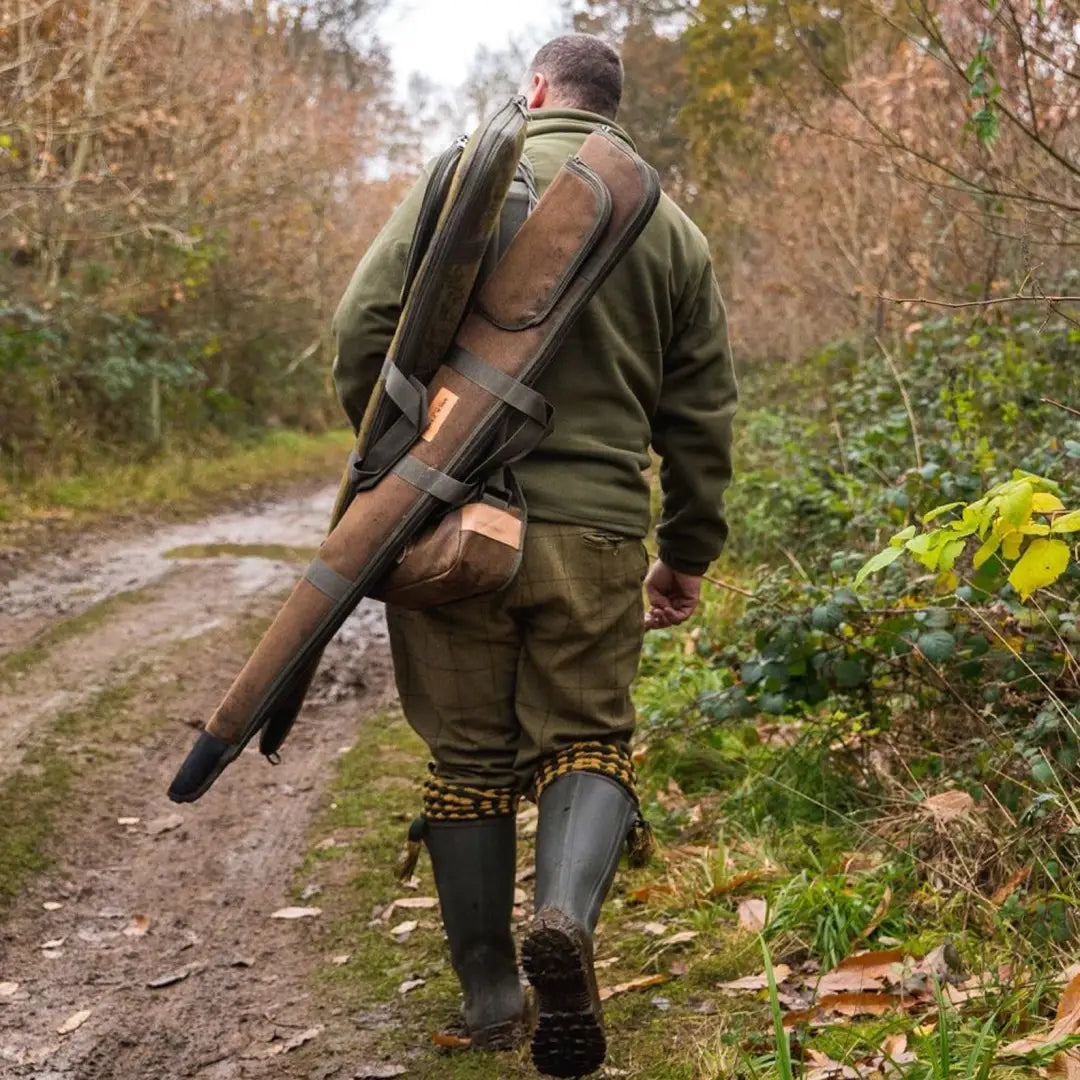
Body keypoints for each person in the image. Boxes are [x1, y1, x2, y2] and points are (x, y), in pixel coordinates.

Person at [331, 32, 737, 1079]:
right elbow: (701, 415)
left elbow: (362, 330)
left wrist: (404, 463)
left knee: (468, 760)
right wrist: (686, 548)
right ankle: (562, 916)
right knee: (587, 739)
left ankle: (493, 998)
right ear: (612, 110)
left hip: (451, 521)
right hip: (598, 532)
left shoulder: (462, 180)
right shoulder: (669, 225)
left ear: (538, 91)